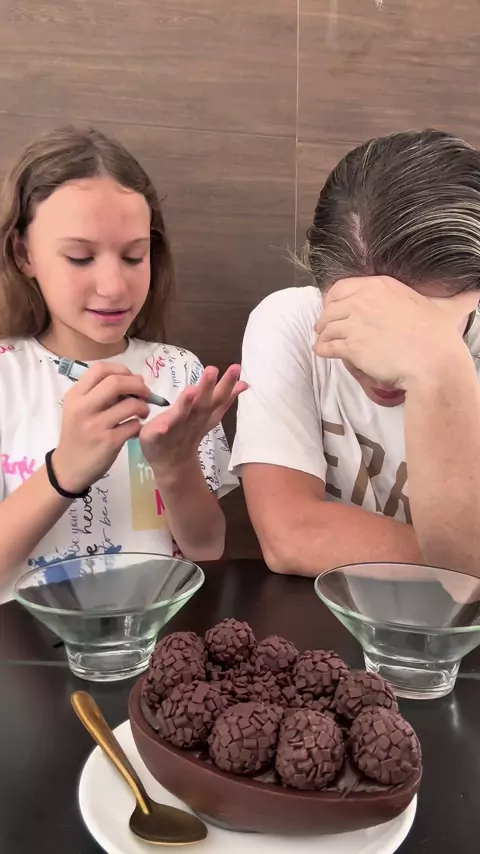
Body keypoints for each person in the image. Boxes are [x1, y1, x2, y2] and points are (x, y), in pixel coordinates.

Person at [0, 126, 246, 602]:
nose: (113, 286)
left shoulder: (177, 373)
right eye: (80, 257)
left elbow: (207, 549)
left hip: (156, 634)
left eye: (134, 256)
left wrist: (175, 466)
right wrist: (65, 470)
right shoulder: (8, 376)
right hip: (27, 641)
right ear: (23, 253)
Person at [231, 129, 480, 579]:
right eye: (352, 316)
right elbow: (291, 536)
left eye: (422, 321)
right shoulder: (290, 321)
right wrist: (461, 564)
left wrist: (440, 369)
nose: (381, 371)